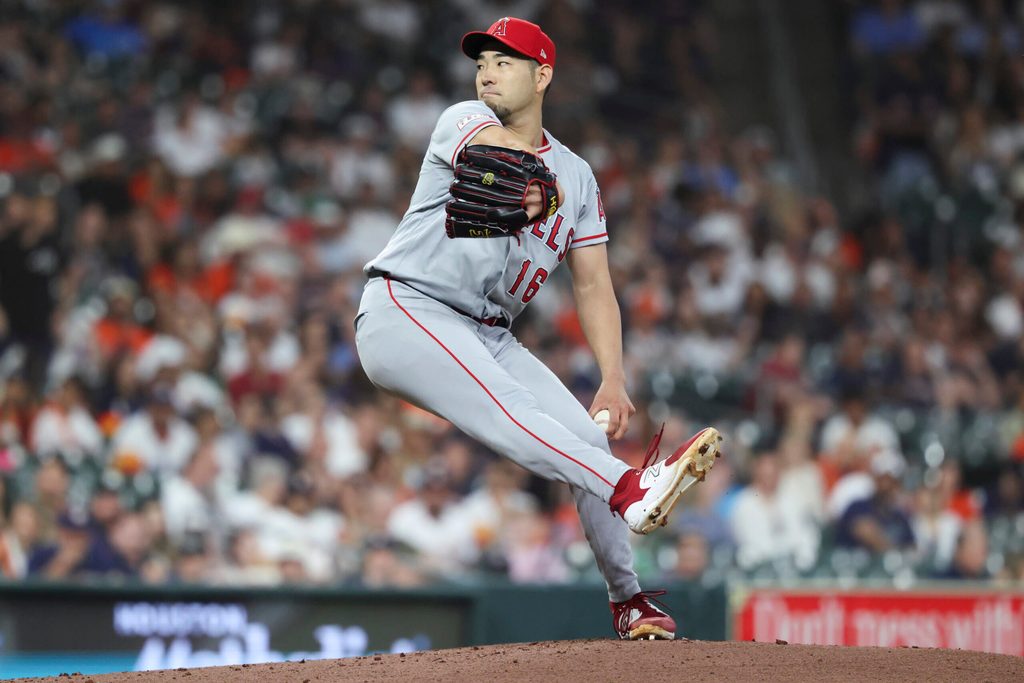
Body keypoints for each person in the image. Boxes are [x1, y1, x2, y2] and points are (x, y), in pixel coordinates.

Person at [354, 16, 722, 640]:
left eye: (505, 61)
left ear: (542, 74)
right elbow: (500, 170)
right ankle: (632, 489)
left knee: (584, 436)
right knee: (515, 410)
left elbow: (592, 283)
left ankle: (629, 601)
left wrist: (612, 377)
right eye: (482, 61)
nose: (487, 71)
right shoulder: (461, 120)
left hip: (489, 330)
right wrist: (538, 196)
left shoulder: (578, 176)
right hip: (407, 308)